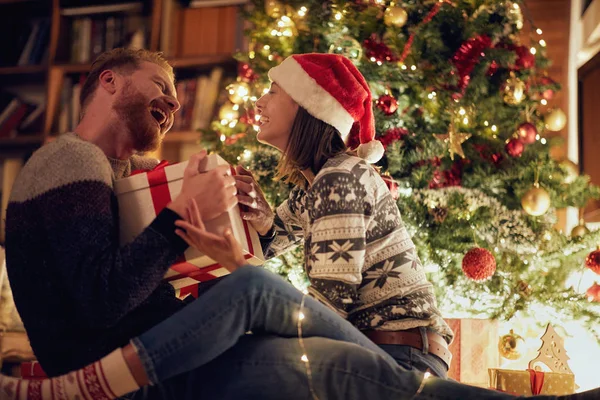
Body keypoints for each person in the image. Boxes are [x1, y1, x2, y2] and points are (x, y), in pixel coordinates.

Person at [234, 52, 453, 377]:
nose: (259, 102)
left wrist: (244, 290)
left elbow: (327, 309)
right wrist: (264, 219)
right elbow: (270, 241)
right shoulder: (317, 185)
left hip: (399, 358)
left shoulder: (339, 180)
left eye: (273, 91)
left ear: (307, 107)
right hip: (391, 351)